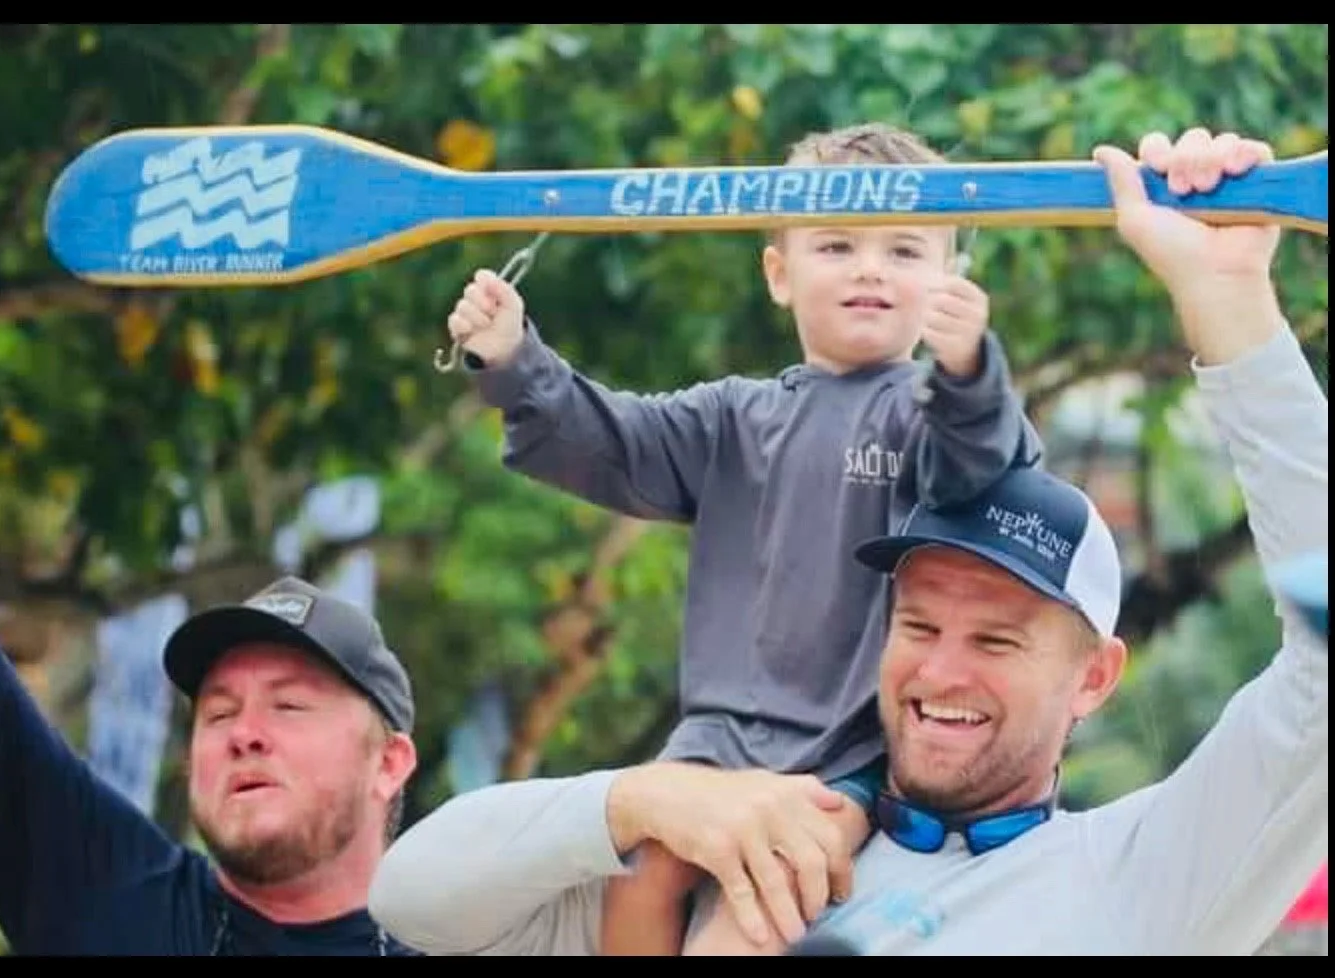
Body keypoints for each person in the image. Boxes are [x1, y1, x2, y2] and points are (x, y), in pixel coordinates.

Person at [368, 127, 1328, 955]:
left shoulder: (1141, 877)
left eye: (997, 638)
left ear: (1095, 677)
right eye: (912, 620)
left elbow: (975, 442)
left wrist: (1231, 303)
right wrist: (645, 803)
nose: (942, 668)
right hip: (706, 762)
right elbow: (408, 896)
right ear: (779, 270)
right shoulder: (703, 842)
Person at [441, 121, 1044, 954]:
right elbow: (610, 441)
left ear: (950, 278)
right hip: (715, 739)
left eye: (905, 252)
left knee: (757, 910)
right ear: (778, 273)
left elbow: (984, 466)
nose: (870, 268)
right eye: (836, 245)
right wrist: (513, 357)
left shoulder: (927, 412)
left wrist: (971, 369)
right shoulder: (732, 415)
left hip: (851, 747)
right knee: (642, 874)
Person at [0, 401, 423, 955]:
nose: (245, 733)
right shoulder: (110, 893)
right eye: (218, 713)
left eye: (288, 706)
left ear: (387, 763)